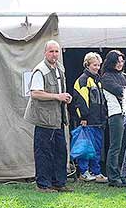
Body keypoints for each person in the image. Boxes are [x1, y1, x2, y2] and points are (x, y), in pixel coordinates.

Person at [24, 40, 73, 193]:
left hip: (57, 118)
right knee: (44, 153)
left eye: (56, 51)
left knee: (60, 152)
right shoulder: (40, 70)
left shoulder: (60, 68)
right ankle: (43, 185)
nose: (54, 54)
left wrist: (65, 97)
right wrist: (57, 97)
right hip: (44, 119)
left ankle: (59, 183)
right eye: (51, 51)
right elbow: (35, 93)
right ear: (45, 53)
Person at [73, 52, 108, 183]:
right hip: (87, 121)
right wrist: (83, 117)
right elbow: (81, 101)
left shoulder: (98, 80)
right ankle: (83, 172)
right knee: (85, 147)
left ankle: (96, 171)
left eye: (99, 65)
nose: (97, 67)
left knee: (97, 148)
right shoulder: (83, 80)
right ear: (87, 65)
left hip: (98, 121)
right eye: (94, 65)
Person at [101, 50, 126, 187]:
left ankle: (122, 174)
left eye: (121, 61)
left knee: (125, 146)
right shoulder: (106, 77)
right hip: (116, 114)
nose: (120, 64)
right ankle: (113, 177)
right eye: (117, 61)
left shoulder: (124, 76)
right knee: (116, 146)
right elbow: (122, 91)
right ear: (111, 62)